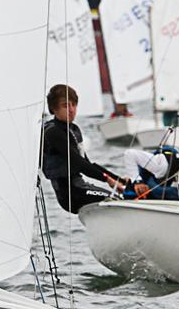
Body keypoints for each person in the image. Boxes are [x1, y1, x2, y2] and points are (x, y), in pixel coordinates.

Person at [41, 84, 125, 213]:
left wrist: (119, 180)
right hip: (70, 194)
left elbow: (87, 163)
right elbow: (79, 164)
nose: (71, 110)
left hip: (80, 187)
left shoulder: (73, 130)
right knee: (115, 200)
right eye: (65, 105)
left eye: (74, 105)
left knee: (121, 197)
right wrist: (108, 180)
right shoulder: (53, 132)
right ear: (53, 108)